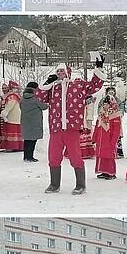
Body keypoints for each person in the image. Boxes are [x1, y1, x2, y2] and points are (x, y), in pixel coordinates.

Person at [36, 60, 105, 195]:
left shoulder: (77, 84)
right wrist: (46, 83)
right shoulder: (53, 87)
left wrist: (98, 69)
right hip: (56, 127)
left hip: (72, 127)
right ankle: (54, 184)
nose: (60, 73)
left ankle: (80, 184)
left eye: (62, 71)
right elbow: (40, 96)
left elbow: (94, 86)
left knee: (75, 156)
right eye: (58, 71)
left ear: (67, 71)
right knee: (53, 156)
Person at [93, 88, 123, 179]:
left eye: (107, 104)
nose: (105, 106)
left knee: (109, 156)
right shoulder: (102, 114)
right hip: (101, 139)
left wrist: (113, 141)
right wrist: (94, 138)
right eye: (104, 104)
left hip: (109, 139)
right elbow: (97, 126)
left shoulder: (115, 115)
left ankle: (111, 172)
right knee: (101, 155)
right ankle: (103, 171)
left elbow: (116, 130)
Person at [19, 82, 46, 164]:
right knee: (33, 140)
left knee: (27, 140)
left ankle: (26, 156)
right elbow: (44, 106)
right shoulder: (36, 98)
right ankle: (30, 156)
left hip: (25, 121)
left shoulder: (22, 98)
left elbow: (20, 107)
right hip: (35, 122)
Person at [0, 80, 23, 151]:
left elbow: (9, 106)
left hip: (12, 118)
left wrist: (4, 113)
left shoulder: (12, 97)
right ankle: (17, 146)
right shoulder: (15, 96)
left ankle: (11, 146)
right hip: (15, 117)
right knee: (15, 132)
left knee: (11, 131)